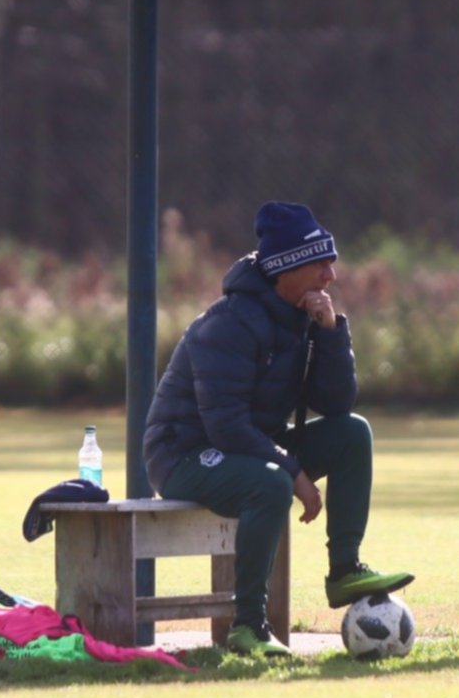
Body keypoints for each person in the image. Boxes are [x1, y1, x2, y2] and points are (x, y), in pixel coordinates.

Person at [144, 201, 413, 657]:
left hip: (248, 447)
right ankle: (248, 625)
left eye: (331, 262)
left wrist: (330, 334)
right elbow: (225, 426)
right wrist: (293, 471)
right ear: (285, 269)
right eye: (319, 263)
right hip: (185, 454)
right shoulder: (227, 325)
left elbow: (336, 404)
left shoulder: (303, 317)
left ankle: (344, 570)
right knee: (269, 483)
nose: (330, 275)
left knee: (353, 434)